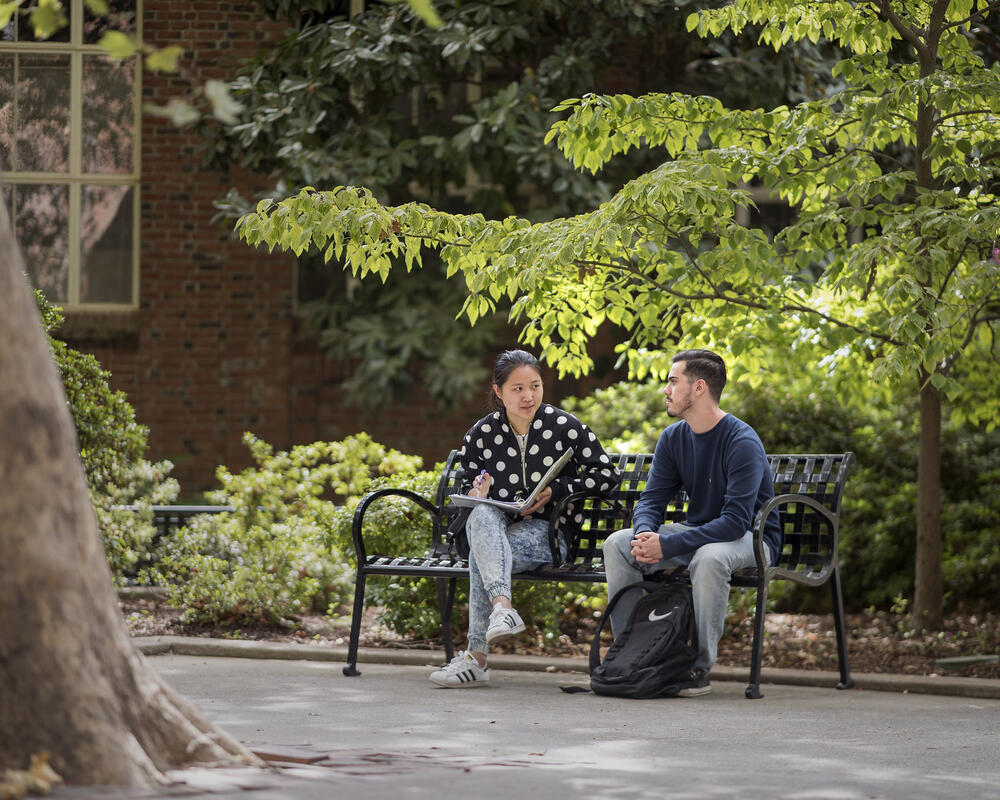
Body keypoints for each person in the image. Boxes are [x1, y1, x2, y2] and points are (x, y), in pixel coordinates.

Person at [430, 349, 620, 688]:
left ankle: (476, 659)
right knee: (484, 516)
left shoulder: (564, 427)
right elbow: (465, 488)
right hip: (496, 530)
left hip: (549, 533)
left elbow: (606, 475)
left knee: (480, 555)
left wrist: (559, 489)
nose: (528, 395)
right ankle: (503, 610)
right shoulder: (481, 434)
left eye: (534, 386)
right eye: (517, 388)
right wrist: (478, 494)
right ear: (498, 392)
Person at [602, 349, 782, 697]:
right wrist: (644, 535)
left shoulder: (741, 441)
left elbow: (734, 523)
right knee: (618, 545)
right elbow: (652, 500)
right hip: (703, 532)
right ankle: (631, 655)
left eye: (673, 381)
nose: (665, 390)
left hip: (751, 537)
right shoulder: (674, 438)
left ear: (698, 387)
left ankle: (697, 667)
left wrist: (666, 545)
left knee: (710, 558)